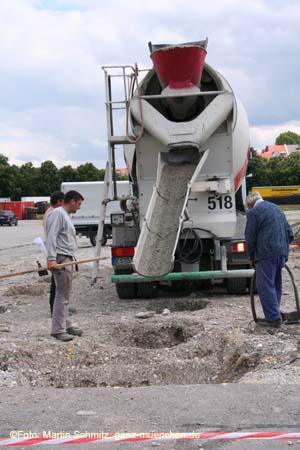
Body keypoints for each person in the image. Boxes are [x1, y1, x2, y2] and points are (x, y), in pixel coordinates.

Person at [245, 191, 294, 328]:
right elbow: (290, 234)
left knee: (265, 286)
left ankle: (273, 319)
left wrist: (250, 256)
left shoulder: (254, 212)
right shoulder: (277, 209)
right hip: (281, 253)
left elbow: (250, 237)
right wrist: (281, 248)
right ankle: (274, 314)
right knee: (275, 284)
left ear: (250, 204)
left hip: (266, 253)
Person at [46, 190, 84, 341]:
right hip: (61, 258)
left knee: (65, 294)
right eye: (79, 204)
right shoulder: (58, 214)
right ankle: (58, 330)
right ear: (72, 201)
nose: (79, 207)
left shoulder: (64, 215)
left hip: (66, 257)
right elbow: (51, 236)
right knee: (61, 294)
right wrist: (51, 259)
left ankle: (66, 325)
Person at [43, 191, 65, 315]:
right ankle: (54, 309)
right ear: (58, 201)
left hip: (54, 250)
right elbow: (52, 235)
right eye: (63, 201)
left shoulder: (50, 211)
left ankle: (57, 308)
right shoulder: (54, 213)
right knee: (56, 283)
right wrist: (51, 257)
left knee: (57, 282)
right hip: (56, 251)